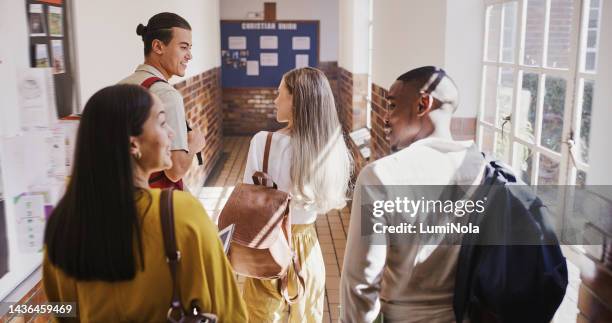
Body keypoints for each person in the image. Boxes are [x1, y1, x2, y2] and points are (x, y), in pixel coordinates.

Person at [43, 84, 247, 322]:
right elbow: (230, 313)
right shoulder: (180, 213)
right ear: (133, 144)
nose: (172, 133)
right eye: (162, 123)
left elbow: (63, 312)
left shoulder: (62, 224)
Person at [340, 66, 486, 322]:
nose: (385, 117)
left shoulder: (381, 176)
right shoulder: (484, 171)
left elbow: (361, 283)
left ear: (422, 105)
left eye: (393, 106)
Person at [242, 67, 353, 322]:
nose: (275, 99)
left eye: (279, 93)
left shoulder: (263, 142)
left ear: (296, 100)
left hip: (267, 246)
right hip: (308, 247)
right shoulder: (330, 148)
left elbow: (250, 202)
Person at [119, 12, 205, 190]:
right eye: (183, 47)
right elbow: (175, 170)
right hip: (157, 201)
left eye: (190, 48)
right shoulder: (166, 95)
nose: (189, 55)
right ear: (158, 46)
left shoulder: (122, 86)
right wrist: (194, 144)